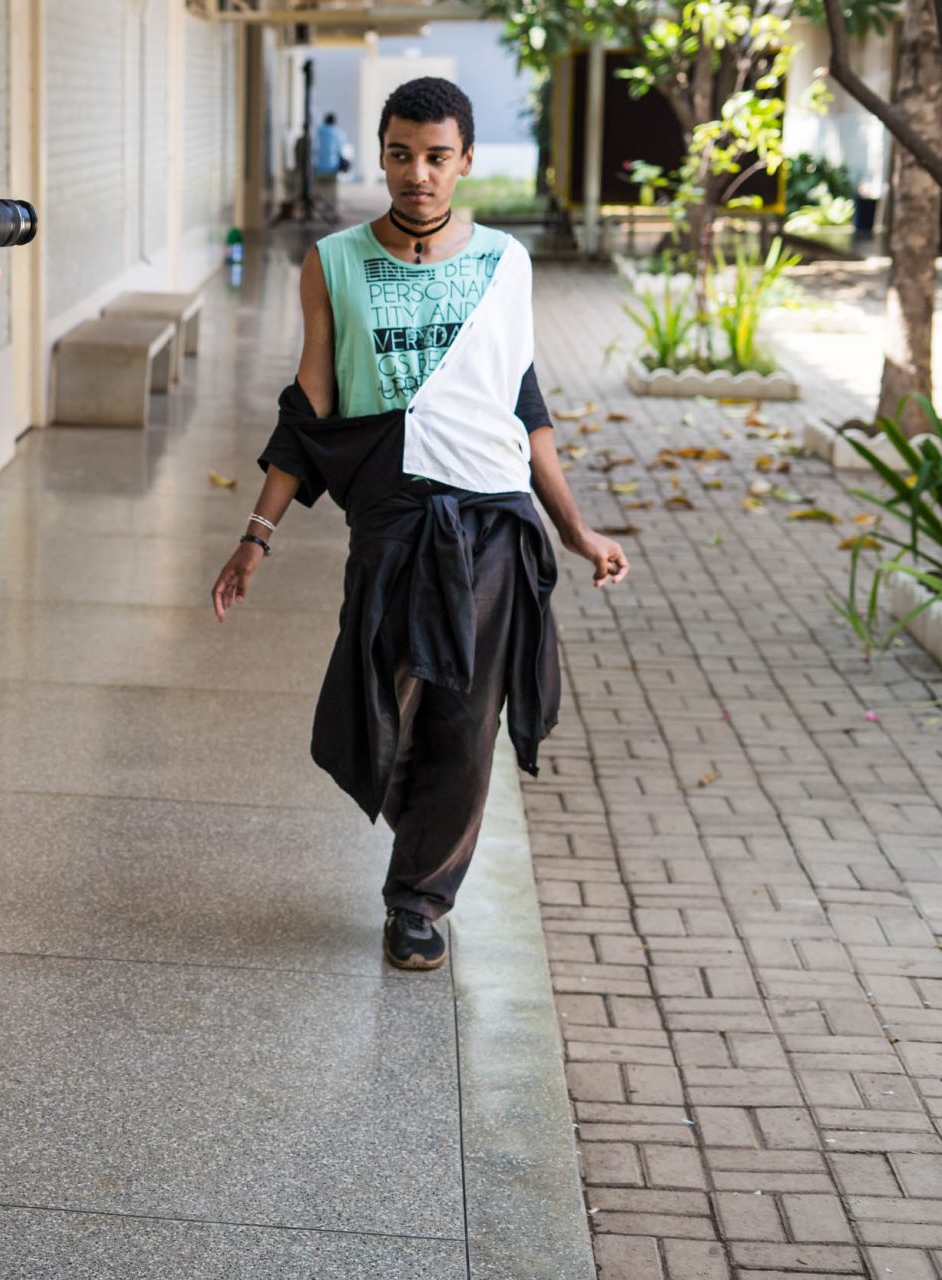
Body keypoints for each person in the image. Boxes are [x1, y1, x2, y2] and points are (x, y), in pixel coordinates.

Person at [210, 78, 628, 973]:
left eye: (438, 157)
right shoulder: (332, 262)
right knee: (382, 702)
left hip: (491, 515)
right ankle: (421, 839)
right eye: (401, 154)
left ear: (466, 161)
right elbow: (312, 404)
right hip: (394, 517)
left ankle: (418, 901)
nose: (418, 174)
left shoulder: (507, 264)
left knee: (463, 720)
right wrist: (258, 534)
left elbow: (525, 403)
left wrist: (575, 529)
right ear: (383, 154)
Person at [312, 111, 348, 221]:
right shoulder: (339, 134)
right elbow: (340, 152)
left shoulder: (317, 131)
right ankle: (332, 209)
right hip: (332, 169)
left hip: (317, 169)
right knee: (332, 189)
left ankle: (318, 208)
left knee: (318, 188)